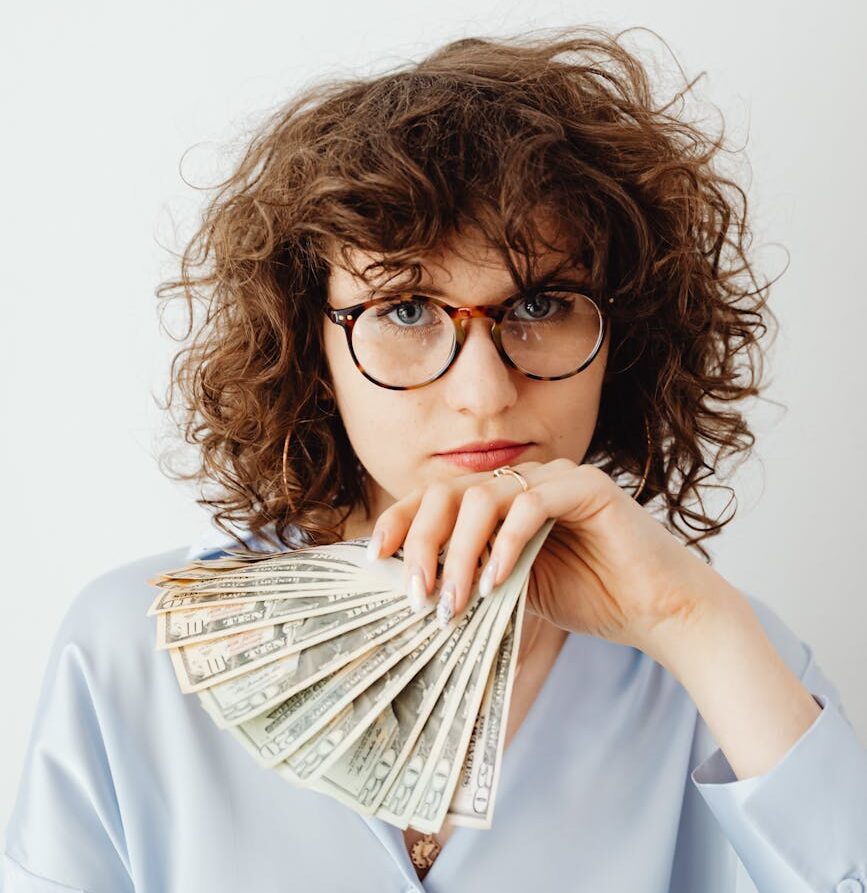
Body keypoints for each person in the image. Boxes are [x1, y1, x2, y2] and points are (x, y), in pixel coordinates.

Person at [3, 24, 866, 893]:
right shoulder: (131, 652)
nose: (484, 392)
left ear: (622, 338)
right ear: (310, 346)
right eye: (406, 310)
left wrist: (686, 621)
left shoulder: (726, 659)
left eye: (540, 303)